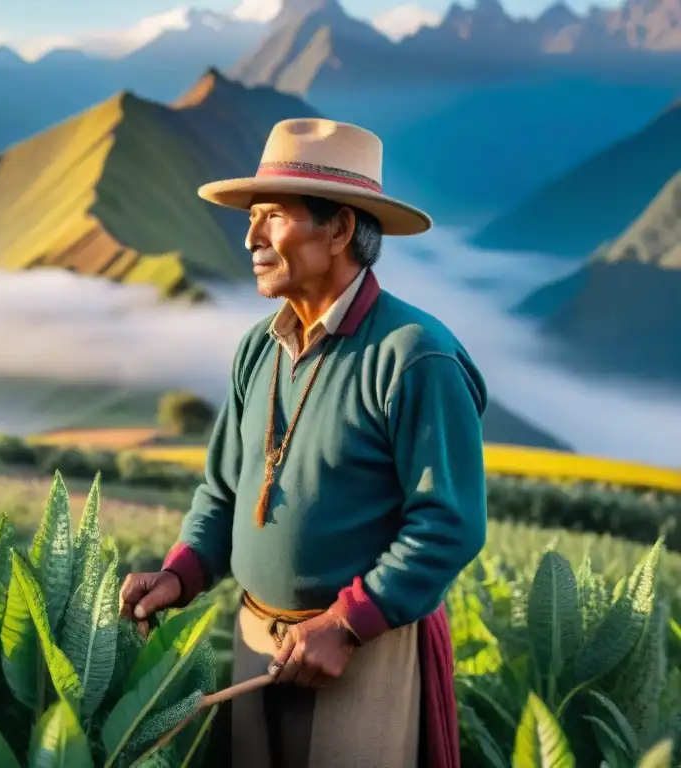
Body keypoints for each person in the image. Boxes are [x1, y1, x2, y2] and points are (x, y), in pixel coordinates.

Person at [119, 118, 488, 768]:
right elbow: (223, 491)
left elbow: (449, 525)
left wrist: (347, 625)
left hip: (362, 653)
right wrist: (179, 575)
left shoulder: (415, 356)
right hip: (255, 641)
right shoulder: (258, 347)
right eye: (252, 217)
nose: (252, 237)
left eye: (272, 216)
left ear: (340, 228)